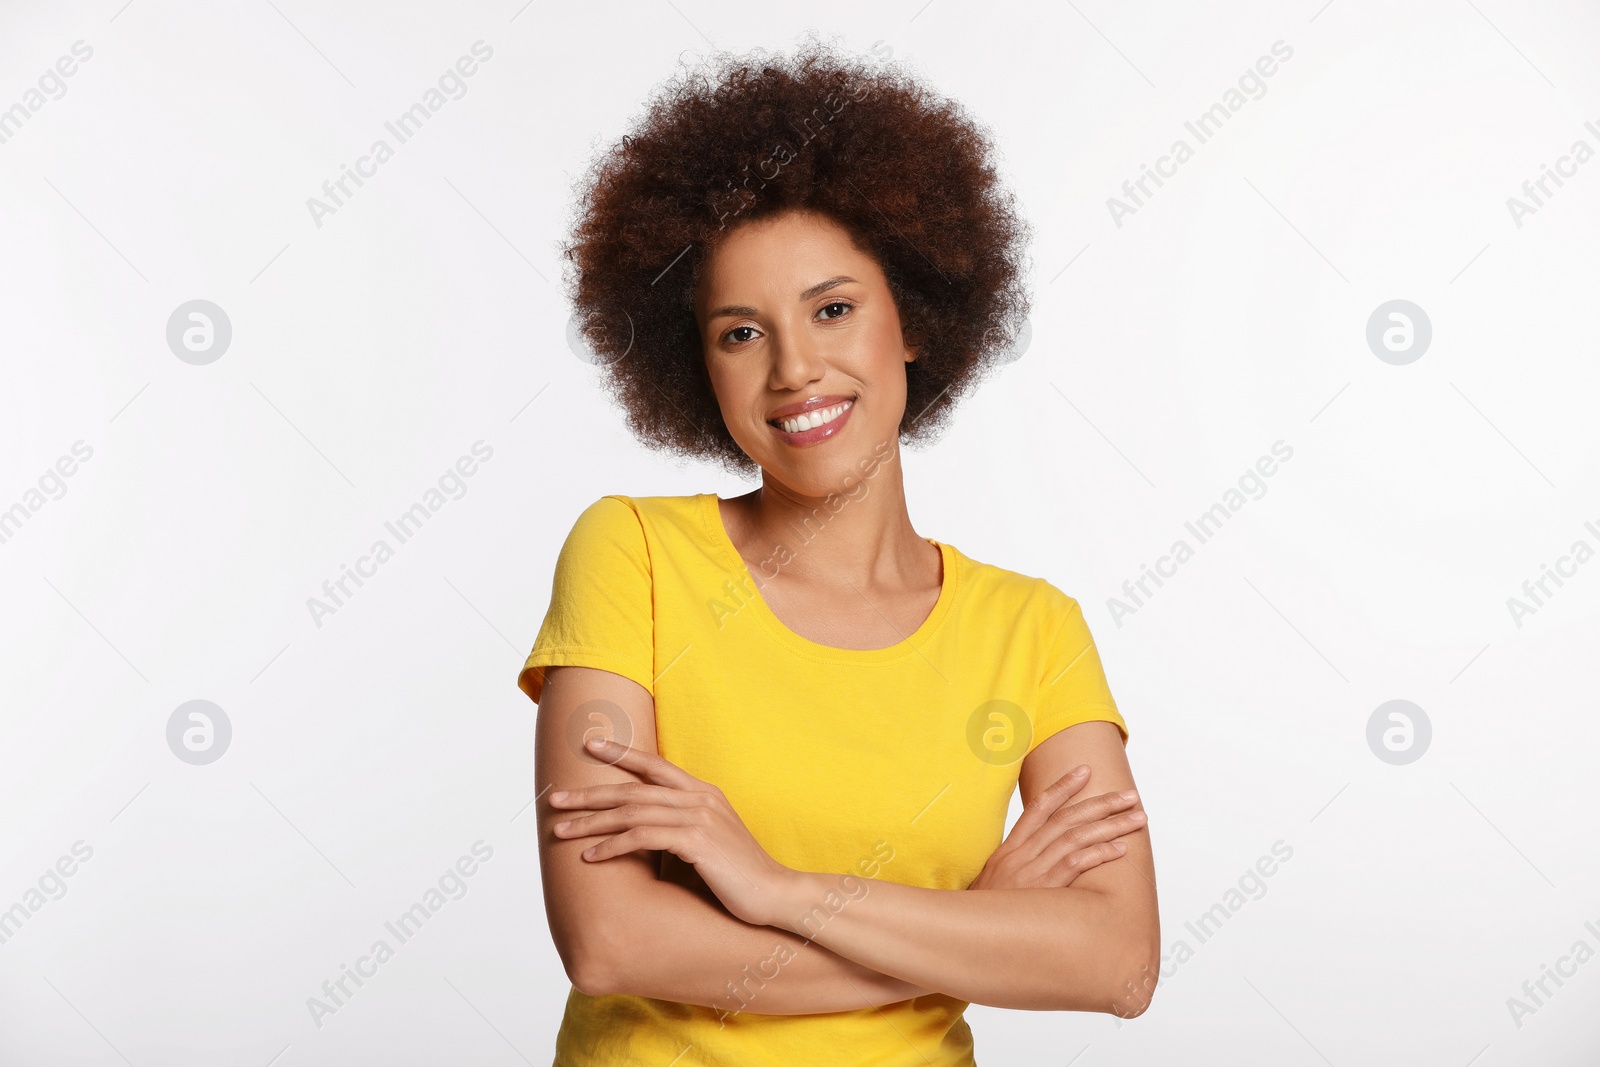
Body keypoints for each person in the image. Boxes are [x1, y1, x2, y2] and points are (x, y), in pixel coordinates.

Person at [517, 33, 1159, 1066]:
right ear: (698, 367)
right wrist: (964, 934)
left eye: (832, 309)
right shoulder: (631, 554)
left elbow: (1117, 961)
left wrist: (777, 891)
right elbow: (609, 940)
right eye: (740, 332)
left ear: (913, 319)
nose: (795, 369)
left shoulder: (1032, 631)